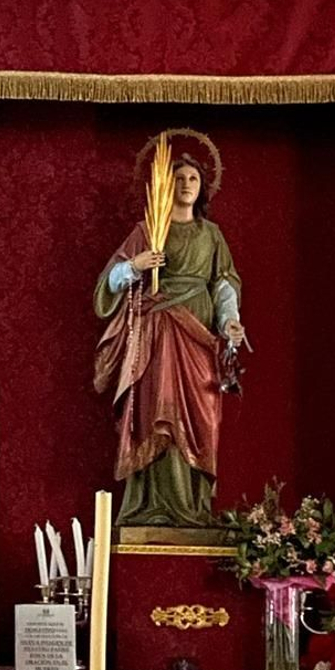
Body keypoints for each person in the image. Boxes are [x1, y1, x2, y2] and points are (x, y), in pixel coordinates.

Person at [94, 133, 245, 527]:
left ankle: (192, 506)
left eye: (193, 179)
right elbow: (108, 284)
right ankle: (149, 506)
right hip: (157, 331)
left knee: (199, 416)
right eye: (178, 179)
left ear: (203, 186)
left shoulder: (211, 235)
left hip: (197, 333)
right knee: (155, 413)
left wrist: (229, 320)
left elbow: (224, 283)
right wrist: (136, 266)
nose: (186, 186)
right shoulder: (147, 231)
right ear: (165, 185)